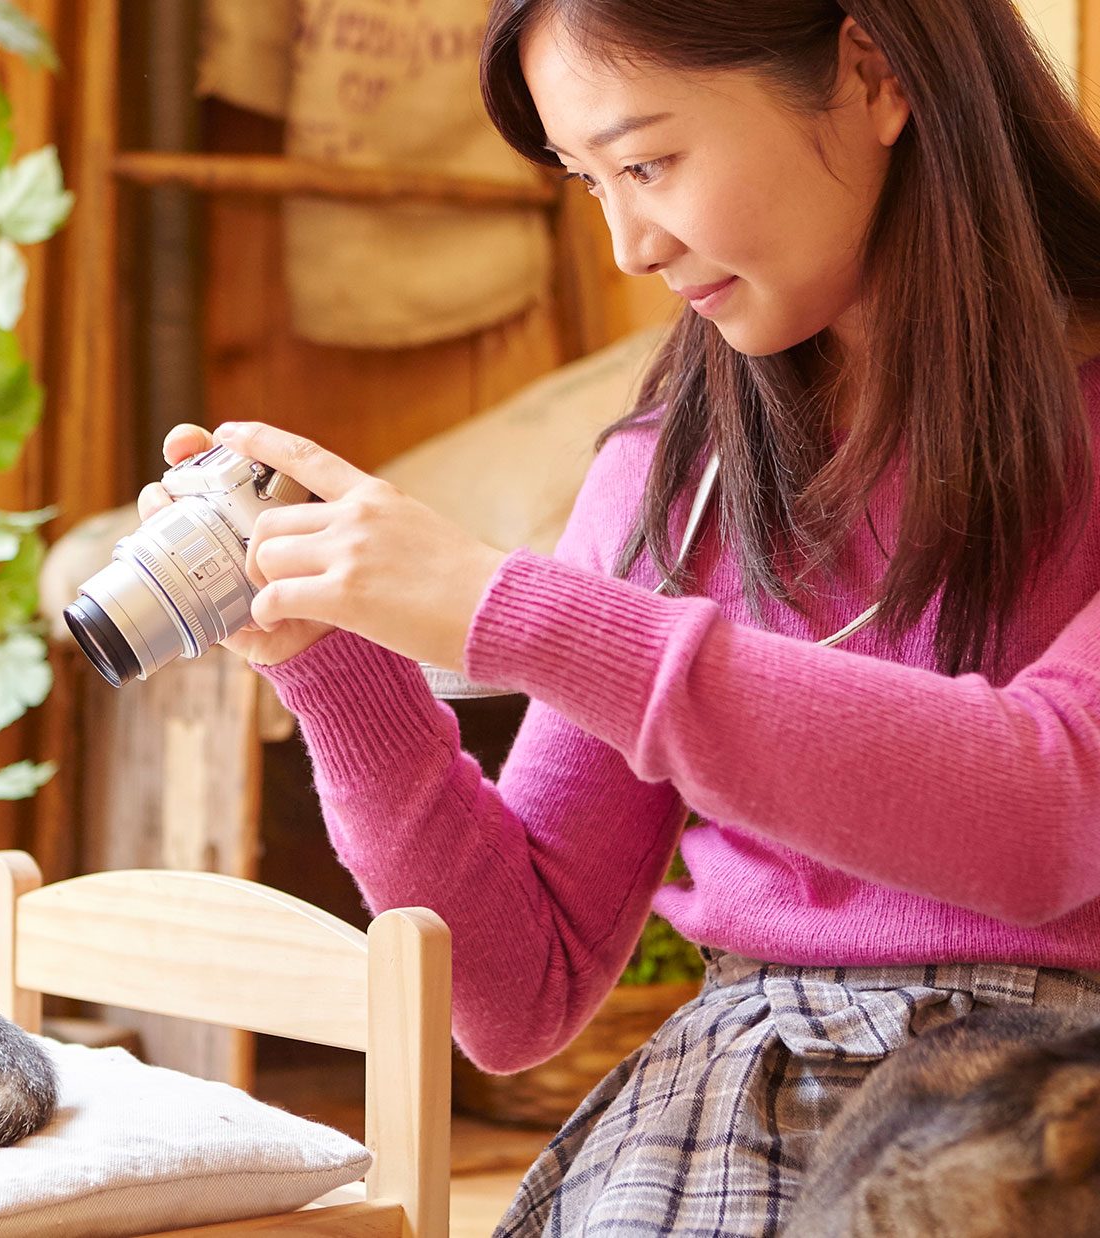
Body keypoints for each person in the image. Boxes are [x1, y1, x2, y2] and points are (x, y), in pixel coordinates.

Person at [142, 1, 1100, 1232]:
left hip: (1043, 1109)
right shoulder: (673, 473)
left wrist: (509, 610)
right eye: (586, 180)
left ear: (870, 72)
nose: (626, 247)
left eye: (645, 162)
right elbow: (517, 988)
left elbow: (1049, 816)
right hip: (728, 1110)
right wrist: (330, 656)